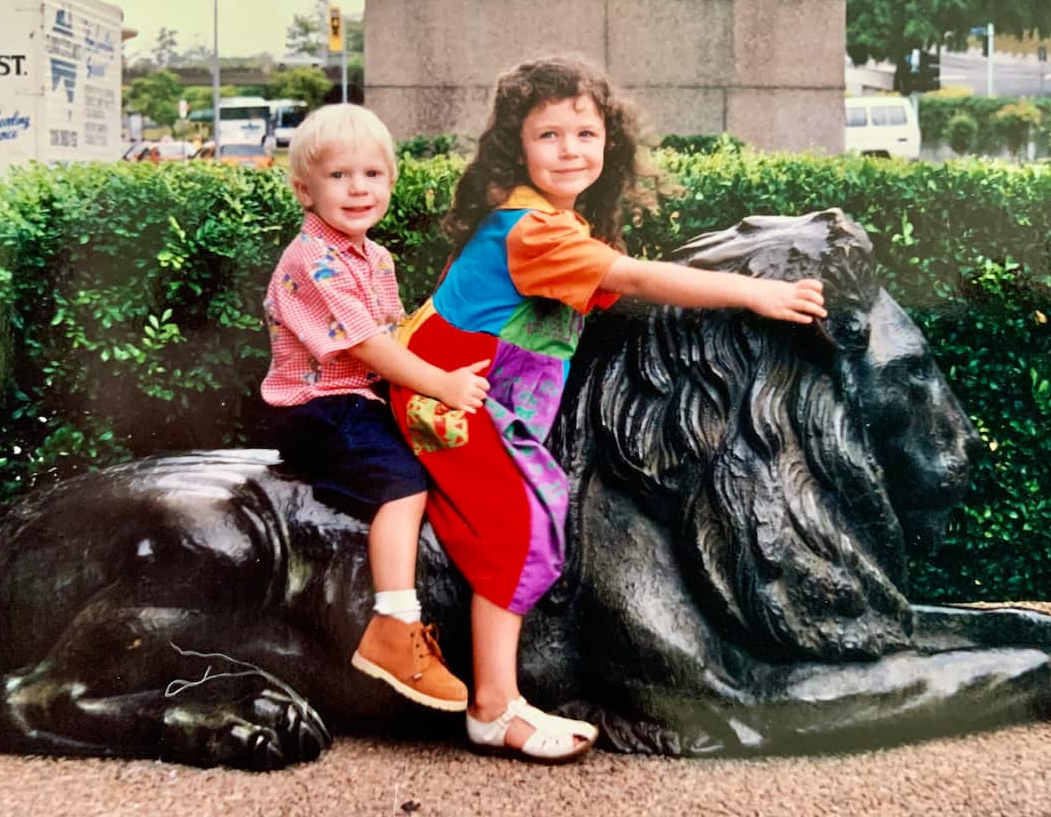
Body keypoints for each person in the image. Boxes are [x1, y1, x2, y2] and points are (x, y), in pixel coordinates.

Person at [389, 55, 827, 763]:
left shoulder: (558, 223)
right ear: (517, 147)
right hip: (449, 391)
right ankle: (493, 706)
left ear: (608, 143)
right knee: (518, 519)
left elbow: (611, 291)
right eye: (549, 135)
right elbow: (636, 278)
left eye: (585, 134)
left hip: (485, 388)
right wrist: (754, 293)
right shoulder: (535, 231)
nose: (570, 150)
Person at [259, 104, 490, 714]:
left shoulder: (375, 257)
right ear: (304, 191)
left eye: (371, 174)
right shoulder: (312, 260)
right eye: (338, 177)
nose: (358, 188)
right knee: (403, 484)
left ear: (390, 181)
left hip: (362, 396)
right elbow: (368, 346)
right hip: (317, 406)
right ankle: (393, 623)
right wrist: (440, 385)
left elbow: (397, 337)